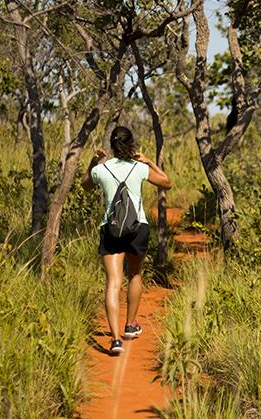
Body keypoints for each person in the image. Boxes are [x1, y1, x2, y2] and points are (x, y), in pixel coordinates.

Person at [82, 126, 172, 355]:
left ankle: (114, 340)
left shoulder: (102, 170)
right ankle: (130, 327)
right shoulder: (139, 168)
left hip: (111, 229)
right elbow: (166, 182)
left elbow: (85, 186)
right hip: (137, 228)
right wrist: (149, 161)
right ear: (131, 143)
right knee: (135, 274)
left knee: (113, 282)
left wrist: (93, 162)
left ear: (112, 145)